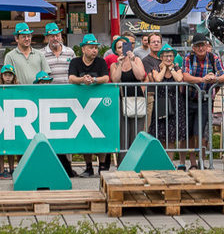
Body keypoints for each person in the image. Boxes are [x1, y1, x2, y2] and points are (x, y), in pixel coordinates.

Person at [182, 33, 224, 169]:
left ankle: (202, 161)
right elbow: (185, 76)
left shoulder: (214, 57)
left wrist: (214, 79)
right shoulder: (188, 57)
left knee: (201, 133)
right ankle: (193, 163)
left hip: (205, 100)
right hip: (188, 99)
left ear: (207, 46)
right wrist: (203, 79)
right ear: (193, 48)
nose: (201, 48)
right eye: (198, 46)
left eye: (203, 45)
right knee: (189, 133)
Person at [69, 34, 111, 177]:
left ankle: (102, 166)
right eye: (91, 47)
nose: (94, 50)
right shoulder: (75, 62)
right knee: (85, 135)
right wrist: (82, 79)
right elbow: (71, 78)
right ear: (83, 49)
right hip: (81, 104)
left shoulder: (101, 62)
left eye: (96, 48)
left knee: (100, 133)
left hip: (98, 104)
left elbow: (106, 78)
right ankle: (88, 167)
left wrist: (94, 80)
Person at [41, 22, 77, 176]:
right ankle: (54, 166)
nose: (55, 38)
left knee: (68, 134)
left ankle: (69, 167)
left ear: (61, 36)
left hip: (68, 98)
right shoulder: (41, 54)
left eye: (57, 35)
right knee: (52, 134)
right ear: (47, 38)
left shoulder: (70, 52)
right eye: (52, 36)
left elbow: (75, 72)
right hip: (49, 99)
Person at [147, 44, 187, 167]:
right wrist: (164, 68)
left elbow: (179, 78)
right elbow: (158, 79)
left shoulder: (177, 67)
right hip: (161, 103)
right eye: (166, 56)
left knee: (172, 135)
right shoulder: (156, 68)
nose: (168, 58)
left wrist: (171, 68)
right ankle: (162, 161)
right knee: (161, 134)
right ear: (161, 57)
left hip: (175, 104)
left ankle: (170, 162)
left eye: (170, 56)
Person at [109, 35, 146, 164]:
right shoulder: (114, 64)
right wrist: (120, 64)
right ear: (116, 50)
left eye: (124, 46)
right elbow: (115, 79)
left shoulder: (137, 60)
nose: (122, 49)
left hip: (137, 99)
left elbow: (140, 76)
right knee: (123, 133)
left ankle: (136, 162)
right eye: (119, 47)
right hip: (122, 100)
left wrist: (131, 60)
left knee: (137, 132)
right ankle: (123, 163)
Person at [0, 65, 18, 179]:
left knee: (11, 146)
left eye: (10, 75)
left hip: (12, 120)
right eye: (6, 75)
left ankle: (12, 168)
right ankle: (1, 170)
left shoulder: (17, 89)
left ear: (13, 76)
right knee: (0, 146)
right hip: (0, 119)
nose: (8, 77)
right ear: (2, 76)